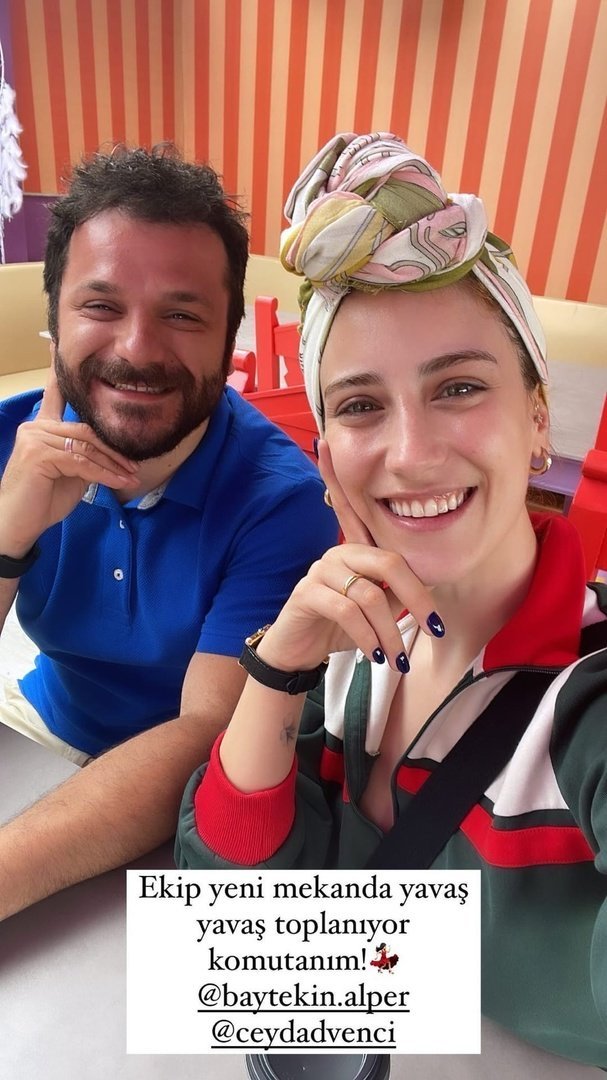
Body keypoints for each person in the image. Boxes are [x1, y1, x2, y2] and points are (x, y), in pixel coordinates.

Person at [176, 133, 607, 1069]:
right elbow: (229, 916)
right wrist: (277, 666)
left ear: (536, 419)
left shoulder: (588, 697)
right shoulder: (343, 657)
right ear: (326, 456)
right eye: (361, 405)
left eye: (459, 387)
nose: (409, 454)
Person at [0, 144, 337, 920]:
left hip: (183, 794)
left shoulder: (283, 501)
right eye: (100, 306)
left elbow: (204, 733)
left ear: (228, 340)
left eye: (182, 315)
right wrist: (9, 534)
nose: (137, 350)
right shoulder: (12, 442)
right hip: (37, 728)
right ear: (54, 318)